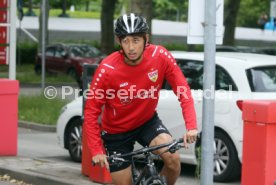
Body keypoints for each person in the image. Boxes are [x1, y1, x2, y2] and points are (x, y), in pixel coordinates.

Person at [84, 13, 198, 185]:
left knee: (173, 159)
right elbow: (91, 112)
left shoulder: (160, 56)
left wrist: (191, 126)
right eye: (126, 41)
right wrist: (96, 150)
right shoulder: (107, 69)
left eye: (136, 40)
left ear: (146, 39)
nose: (131, 47)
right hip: (116, 132)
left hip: (147, 122)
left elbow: (183, 91)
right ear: (119, 42)